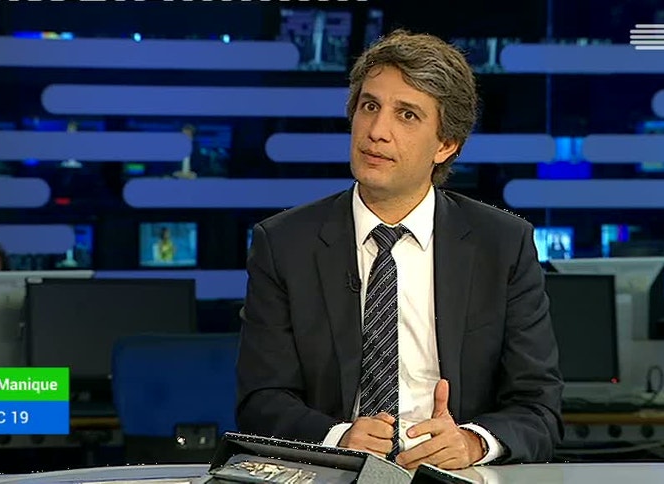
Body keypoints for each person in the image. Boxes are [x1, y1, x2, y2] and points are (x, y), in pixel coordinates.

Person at [235, 29, 563, 470]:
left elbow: (538, 407)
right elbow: (261, 401)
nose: (377, 131)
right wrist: (338, 438)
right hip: (335, 474)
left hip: (453, 476)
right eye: (369, 107)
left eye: (406, 115)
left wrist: (472, 442)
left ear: (445, 145)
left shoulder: (502, 244)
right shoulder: (284, 243)